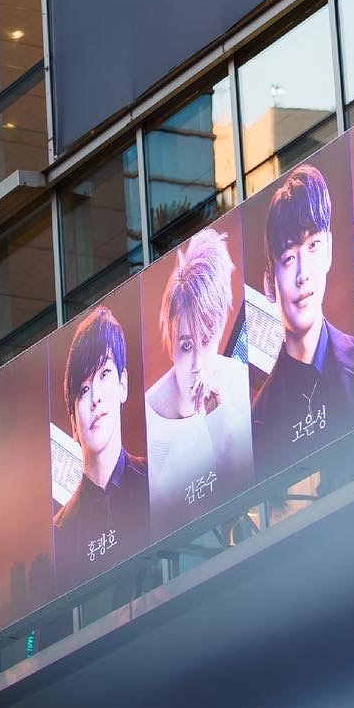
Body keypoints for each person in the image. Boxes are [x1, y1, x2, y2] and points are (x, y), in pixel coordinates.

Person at [250, 162, 354, 476]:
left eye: (313, 246)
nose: (303, 275)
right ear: (269, 284)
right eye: (288, 258)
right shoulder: (258, 423)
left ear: (328, 251)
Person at [144, 228, 254, 536]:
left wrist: (218, 423)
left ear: (219, 330)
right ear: (171, 344)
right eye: (186, 345)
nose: (196, 364)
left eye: (206, 340)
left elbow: (249, 489)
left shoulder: (238, 380)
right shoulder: (148, 423)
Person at [53, 305, 149, 584]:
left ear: (123, 384)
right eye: (83, 390)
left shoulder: (156, 480)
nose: (95, 397)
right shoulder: (59, 532)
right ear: (73, 423)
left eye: (104, 373)